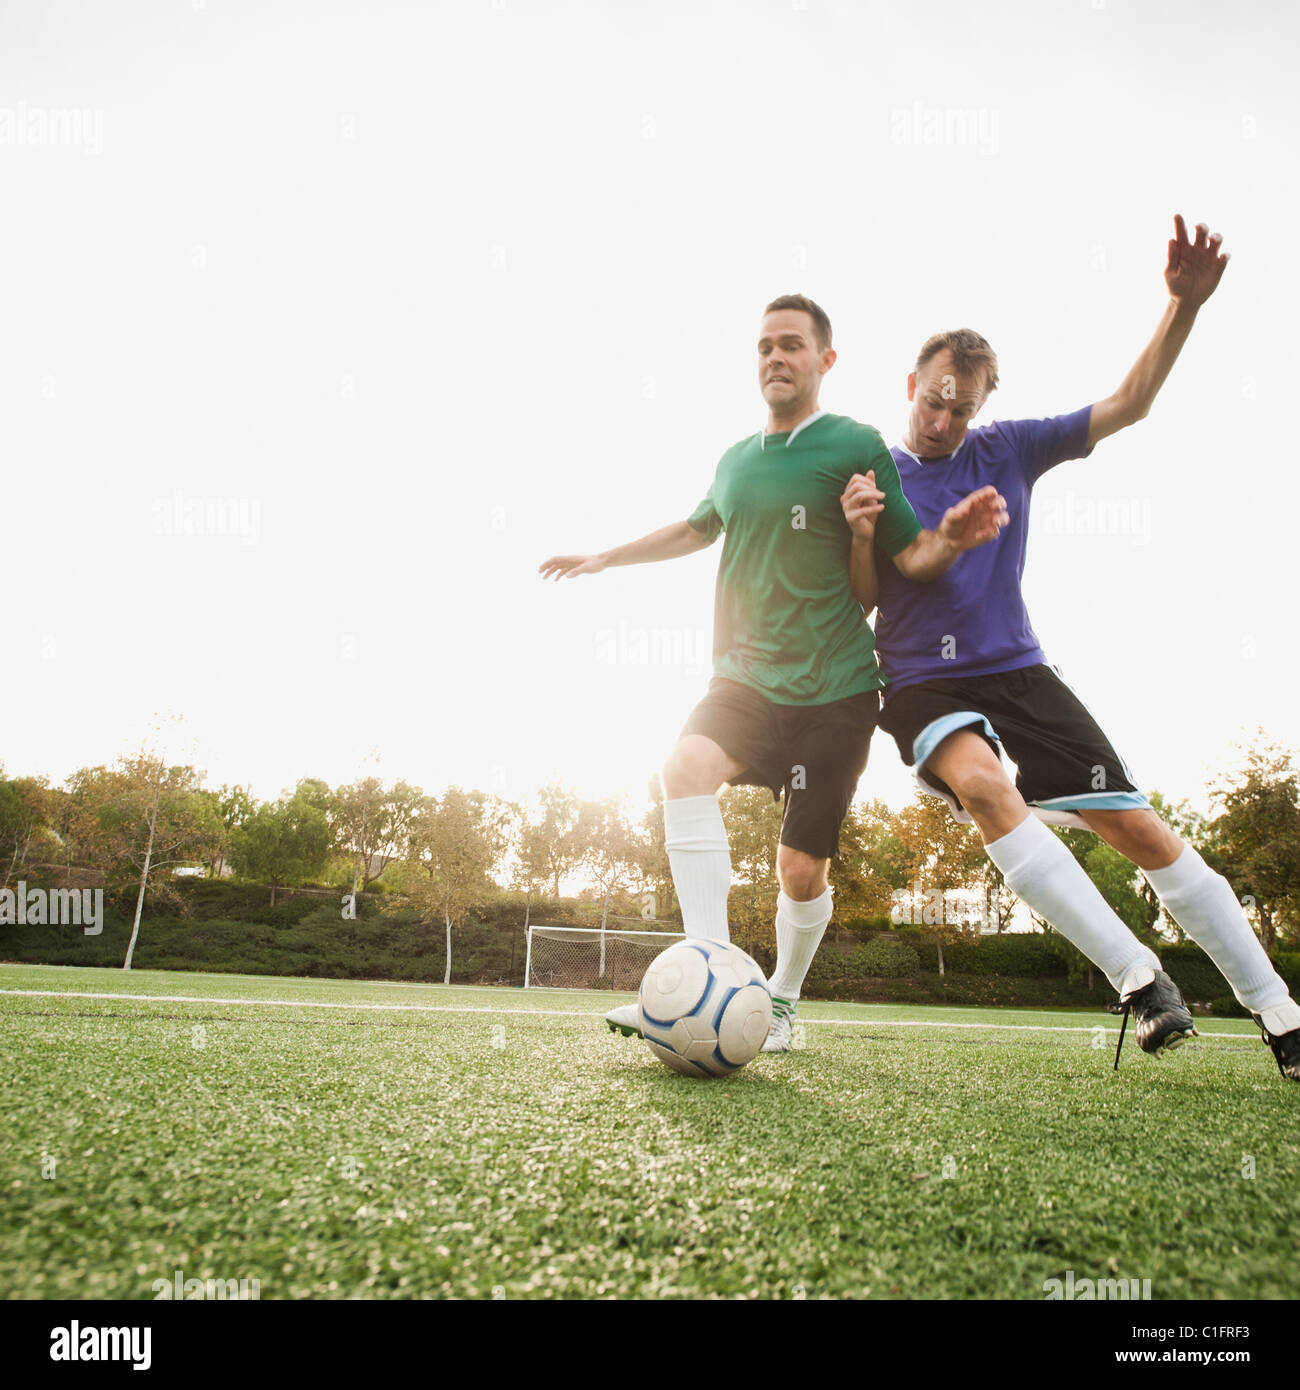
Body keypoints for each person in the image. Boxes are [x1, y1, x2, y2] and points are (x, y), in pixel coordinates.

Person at [850, 216, 1299, 1080]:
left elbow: (1130, 403)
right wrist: (874, 534)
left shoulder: (1010, 447)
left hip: (1019, 670)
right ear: (911, 381)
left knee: (1139, 828)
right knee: (982, 785)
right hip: (917, 681)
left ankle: (1279, 1014)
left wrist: (1182, 309)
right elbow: (866, 592)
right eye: (932, 397)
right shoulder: (870, 471)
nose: (942, 417)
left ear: (980, 406)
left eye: (960, 405)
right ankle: (1140, 978)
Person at [540, 294, 1007, 1051]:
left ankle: (782, 1001)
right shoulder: (734, 461)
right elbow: (693, 528)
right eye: (764, 347)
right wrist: (604, 556)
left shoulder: (855, 443)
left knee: (797, 870)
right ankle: (705, 975)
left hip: (838, 691)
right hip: (745, 681)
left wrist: (946, 539)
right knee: (683, 769)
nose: (775, 358)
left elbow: (902, 562)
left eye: (791, 345)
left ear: (825, 361)